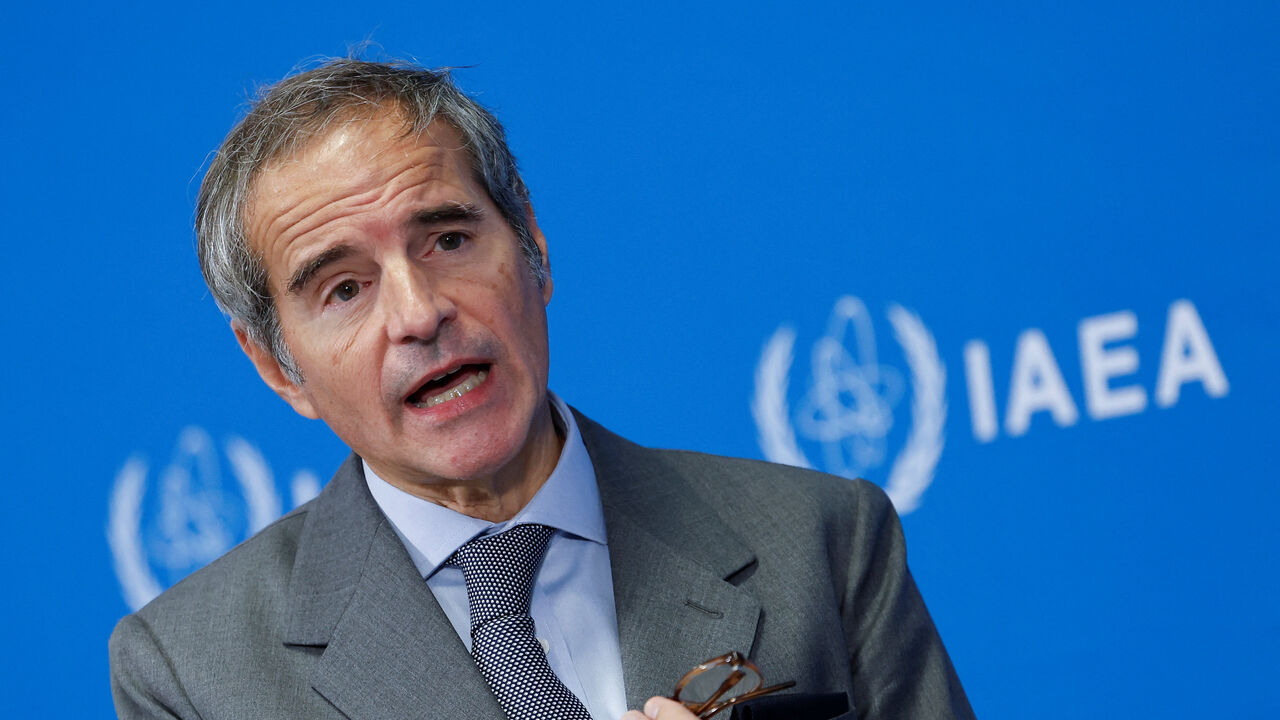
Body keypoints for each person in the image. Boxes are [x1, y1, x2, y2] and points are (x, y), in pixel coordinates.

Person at [109, 58, 975, 720]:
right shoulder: (192, 672)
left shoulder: (823, 541)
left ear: (532, 243)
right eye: (344, 289)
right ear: (277, 367)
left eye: (447, 239)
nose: (419, 313)